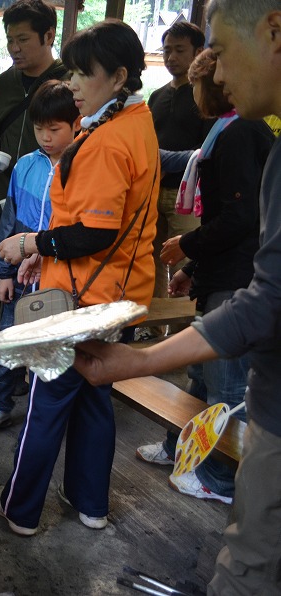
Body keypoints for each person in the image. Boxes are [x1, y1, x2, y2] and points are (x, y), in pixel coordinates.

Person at [74, 2, 281, 592]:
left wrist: (137, 361)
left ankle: (212, 472)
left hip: (270, 397)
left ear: (273, 30)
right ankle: (187, 451)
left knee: (247, 566)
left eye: (218, 50)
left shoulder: (241, 130)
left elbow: (266, 298)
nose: (212, 72)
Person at [0, 19, 159, 536]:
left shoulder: (108, 141)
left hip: (82, 297)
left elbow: (95, 232)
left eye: (86, 74)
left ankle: (20, 509)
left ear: (120, 76)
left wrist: (32, 243)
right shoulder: (138, 123)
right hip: (117, 295)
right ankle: (91, 504)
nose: (76, 85)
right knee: (93, 397)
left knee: (47, 399)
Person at [136, 49, 273, 504]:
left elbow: (240, 217)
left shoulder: (240, 132)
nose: (194, 96)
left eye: (198, 85)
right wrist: (194, 268)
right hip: (219, 272)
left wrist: (187, 247)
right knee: (199, 376)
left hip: (238, 277)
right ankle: (180, 448)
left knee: (227, 385)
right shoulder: (224, 130)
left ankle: (220, 477)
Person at [0, 0, 68, 398]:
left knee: (38, 291)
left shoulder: (67, 82)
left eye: (23, 39)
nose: (14, 48)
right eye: (10, 40)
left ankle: (25, 373)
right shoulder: (4, 82)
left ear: (48, 36)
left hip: (42, 211)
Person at [0, 80, 79, 438]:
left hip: (60, 276)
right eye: (38, 129)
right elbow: (9, 221)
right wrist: (4, 271)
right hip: (20, 274)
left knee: (52, 349)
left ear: (76, 124)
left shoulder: (82, 167)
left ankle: (43, 415)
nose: (45, 137)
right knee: (9, 340)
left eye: (54, 129)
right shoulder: (24, 167)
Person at [144, 21, 214, 335]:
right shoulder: (156, 96)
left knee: (189, 260)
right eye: (167, 50)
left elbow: (207, 151)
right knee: (153, 260)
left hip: (189, 195)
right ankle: (155, 327)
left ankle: (185, 331)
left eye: (179, 50)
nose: (171, 57)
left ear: (199, 52)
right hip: (153, 190)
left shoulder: (206, 95)